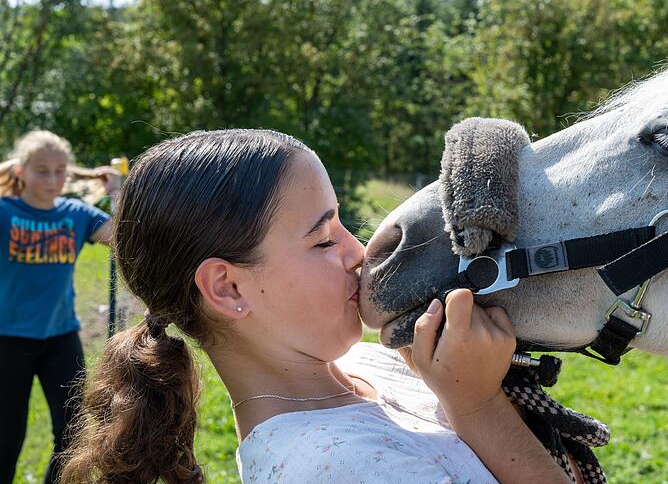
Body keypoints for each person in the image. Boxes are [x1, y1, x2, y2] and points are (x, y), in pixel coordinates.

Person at [60, 129, 575, 484]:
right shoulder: (333, 467)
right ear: (228, 289)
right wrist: (478, 407)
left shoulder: (363, 362)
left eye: (342, 222)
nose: (358, 251)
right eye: (323, 239)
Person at [0, 130, 121, 484]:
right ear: (21, 171)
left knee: (72, 436)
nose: (53, 180)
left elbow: (123, 236)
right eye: (42, 170)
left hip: (61, 338)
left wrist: (116, 192)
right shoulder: (5, 213)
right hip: (8, 339)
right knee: (6, 439)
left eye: (60, 171)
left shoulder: (75, 214)